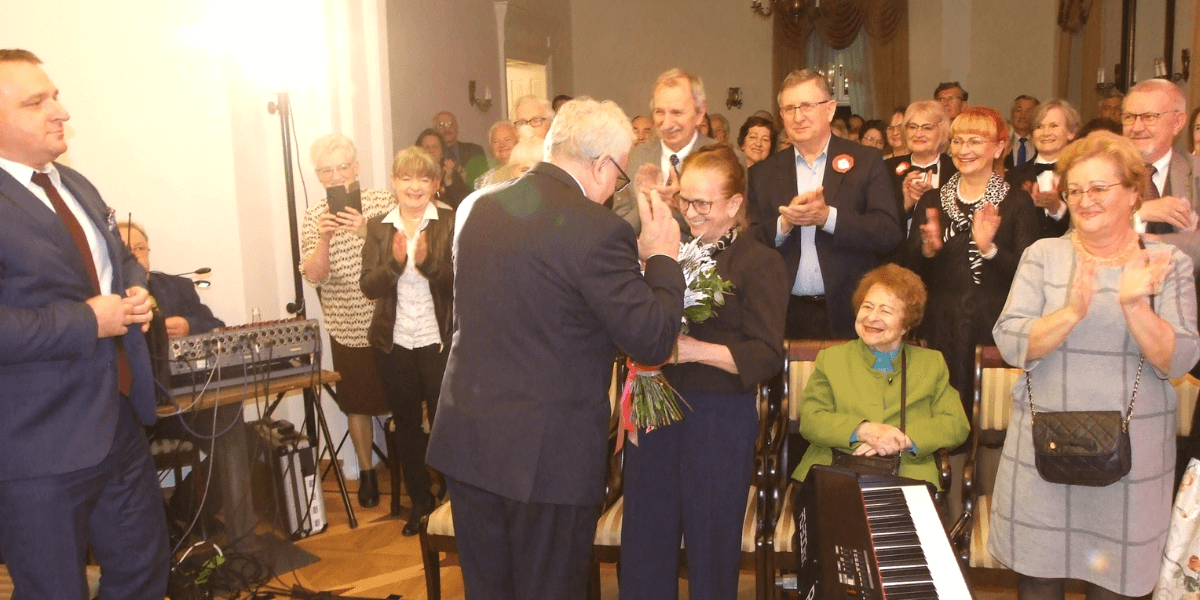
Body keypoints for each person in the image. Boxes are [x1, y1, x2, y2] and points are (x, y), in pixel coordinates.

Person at [426, 97, 686, 600]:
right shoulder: (599, 230)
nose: (615, 188)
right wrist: (661, 258)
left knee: (489, 590)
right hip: (546, 459)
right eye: (620, 176)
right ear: (599, 164)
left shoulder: (476, 208)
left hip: (469, 441)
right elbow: (653, 339)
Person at [991, 131, 1200, 600]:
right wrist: (1071, 313)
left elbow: (1179, 360)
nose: (1085, 200)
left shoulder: (1166, 262)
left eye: (1099, 188)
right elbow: (1010, 342)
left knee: (1116, 586)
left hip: (1130, 457)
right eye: (1076, 190)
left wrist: (1136, 307)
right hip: (1043, 448)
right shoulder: (1042, 256)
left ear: (1133, 192)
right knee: (1038, 579)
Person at [0, 48, 167, 599]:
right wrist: (86, 321)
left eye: (55, 95)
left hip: (117, 421)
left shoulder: (75, 183)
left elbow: (114, 263)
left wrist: (134, 291)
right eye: (36, 101)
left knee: (144, 573)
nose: (61, 111)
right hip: (37, 444)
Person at [620, 145, 788, 600]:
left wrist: (694, 350)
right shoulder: (668, 252)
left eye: (703, 204)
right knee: (645, 537)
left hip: (717, 418)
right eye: (685, 201)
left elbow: (766, 354)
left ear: (735, 205)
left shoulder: (760, 262)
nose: (690, 213)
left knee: (711, 541)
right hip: (657, 410)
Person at [749, 68, 901, 340]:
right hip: (783, 315)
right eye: (789, 108)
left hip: (850, 312)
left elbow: (887, 232)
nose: (798, 116)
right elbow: (749, 241)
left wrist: (827, 217)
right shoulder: (763, 173)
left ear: (830, 110)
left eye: (807, 106)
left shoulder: (866, 161)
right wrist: (784, 224)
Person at [906, 106, 1041, 412]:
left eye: (975, 142)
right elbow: (910, 269)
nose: (963, 150)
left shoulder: (1016, 202)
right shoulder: (931, 199)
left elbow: (1028, 274)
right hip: (939, 325)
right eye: (958, 141)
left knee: (988, 417)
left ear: (998, 148)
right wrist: (928, 250)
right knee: (939, 410)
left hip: (992, 325)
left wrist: (988, 249)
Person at [792, 264, 969, 487]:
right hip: (834, 472)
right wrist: (863, 431)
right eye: (867, 307)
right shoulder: (831, 359)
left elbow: (956, 424)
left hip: (907, 476)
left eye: (885, 311)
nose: (872, 317)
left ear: (906, 325)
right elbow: (810, 419)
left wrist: (902, 438)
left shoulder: (931, 364)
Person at [360, 146, 454, 536]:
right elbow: (369, 286)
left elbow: (458, 282)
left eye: (423, 178)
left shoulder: (450, 221)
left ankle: (452, 497)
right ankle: (420, 499)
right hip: (393, 342)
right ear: (395, 183)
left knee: (447, 424)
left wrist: (429, 261)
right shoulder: (379, 227)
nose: (414, 186)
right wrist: (395, 263)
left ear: (435, 184)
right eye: (405, 178)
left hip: (439, 341)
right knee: (406, 425)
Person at [300, 133, 393, 509]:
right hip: (346, 321)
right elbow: (315, 275)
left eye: (342, 166)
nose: (336, 176)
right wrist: (323, 238)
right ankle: (367, 473)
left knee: (400, 399)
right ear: (318, 176)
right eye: (327, 170)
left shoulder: (383, 202)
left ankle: (411, 472)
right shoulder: (312, 216)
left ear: (356, 167)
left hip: (389, 318)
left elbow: (402, 252)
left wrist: (364, 229)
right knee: (358, 402)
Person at [613, 68, 727, 235]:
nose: (666, 124)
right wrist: (649, 205)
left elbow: (727, 230)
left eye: (676, 112)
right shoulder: (634, 158)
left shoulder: (723, 159)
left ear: (700, 113)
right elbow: (618, 229)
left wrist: (676, 207)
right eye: (659, 112)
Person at [1123, 80, 1199, 259]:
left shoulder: (1196, 171)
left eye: (1149, 117)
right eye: (1129, 117)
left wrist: (1152, 242)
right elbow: (1078, 237)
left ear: (1177, 123)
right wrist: (1139, 213)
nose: (1137, 127)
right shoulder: (1101, 172)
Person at [119, 222, 225, 337]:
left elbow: (217, 326)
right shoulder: (104, 295)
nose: (134, 256)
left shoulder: (179, 287)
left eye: (140, 248)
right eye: (125, 251)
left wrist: (189, 326)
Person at [1005, 99, 1082, 239]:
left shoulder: (1083, 175)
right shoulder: (1011, 178)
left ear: (1071, 132)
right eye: (1039, 126)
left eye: (1054, 126)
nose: (1046, 133)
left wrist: (1057, 209)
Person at [885, 100, 956, 242]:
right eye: (913, 127)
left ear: (941, 132)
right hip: (898, 258)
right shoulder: (886, 169)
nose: (918, 134)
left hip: (944, 257)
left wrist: (933, 201)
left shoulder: (956, 170)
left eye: (927, 128)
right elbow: (877, 225)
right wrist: (906, 205)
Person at [416, 128, 470, 209]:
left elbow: (463, 206)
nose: (431, 150)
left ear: (442, 152)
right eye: (427, 147)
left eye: (435, 147)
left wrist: (448, 181)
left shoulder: (451, 174)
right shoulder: (413, 175)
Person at [432, 110, 486, 188]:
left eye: (450, 124)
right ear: (435, 130)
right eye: (441, 125)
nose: (447, 129)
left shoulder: (475, 151)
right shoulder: (432, 154)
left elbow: (484, 183)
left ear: (457, 128)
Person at [474, 120, 518, 190]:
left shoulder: (527, 172)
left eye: (507, 139)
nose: (502, 145)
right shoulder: (482, 182)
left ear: (518, 141)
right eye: (496, 141)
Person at [1006, 95, 1040, 169]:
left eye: (1029, 111)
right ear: (1011, 113)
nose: (1022, 115)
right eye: (1018, 110)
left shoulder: (1042, 144)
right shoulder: (1002, 143)